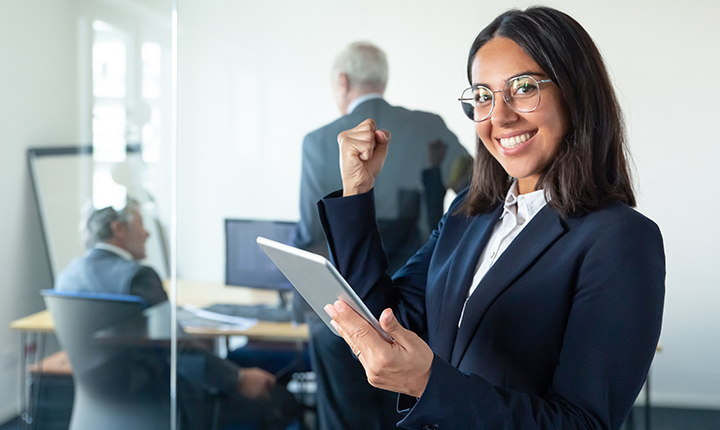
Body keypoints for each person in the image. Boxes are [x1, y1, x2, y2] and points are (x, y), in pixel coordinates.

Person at [320, 7, 665, 430]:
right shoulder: (470, 212)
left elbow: (582, 423)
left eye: (523, 88)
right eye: (483, 95)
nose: (499, 116)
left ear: (576, 93)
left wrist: (430, 384)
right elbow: (384, 320)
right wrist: (357, 192)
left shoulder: (620, 239)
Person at [293, 42, 471, 430]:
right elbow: (478, 192)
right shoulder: (430, 128)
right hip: (417, 311)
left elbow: (309, 232)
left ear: (342, 81)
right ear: (382, 79)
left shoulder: (318, 141)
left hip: (340, 316)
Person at [55, 199, 300, 429]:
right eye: (140, 223)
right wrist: (237, 378)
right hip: (164, 403)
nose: (148, 233)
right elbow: (175, 347)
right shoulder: (137, 277)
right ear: (118, 229)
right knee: (282, 400)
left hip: (101, 404)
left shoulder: (67, 277)